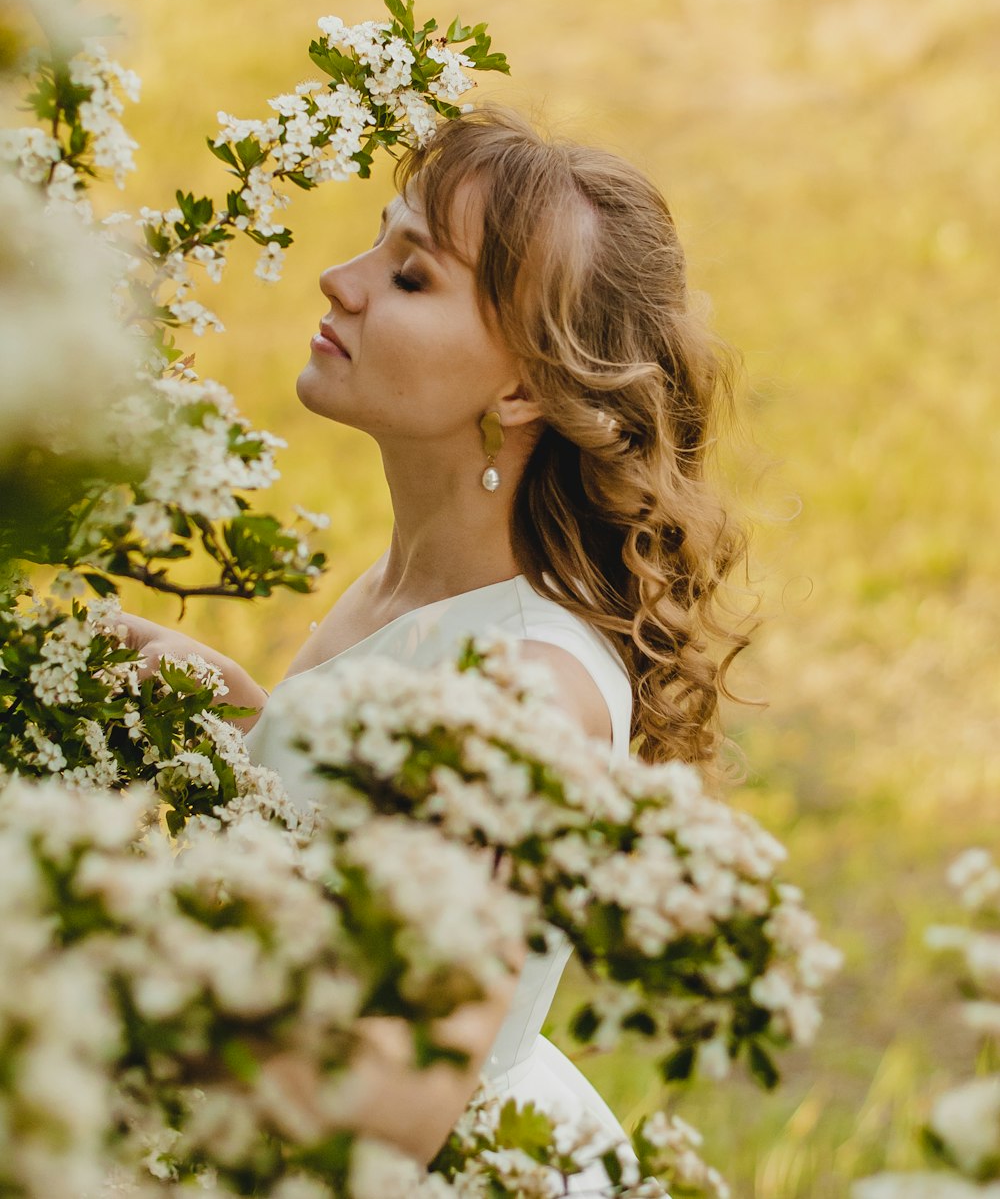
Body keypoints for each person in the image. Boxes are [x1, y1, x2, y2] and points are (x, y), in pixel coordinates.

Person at [124, 104, 753, 1188]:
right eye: (376, 240)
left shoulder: (524, 692)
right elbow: (352, 832)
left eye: (411, 276)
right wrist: (229, 720)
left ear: (522, 388)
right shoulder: (418, 582)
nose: (338, 277)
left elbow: (394, 1106)